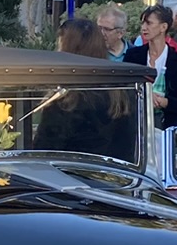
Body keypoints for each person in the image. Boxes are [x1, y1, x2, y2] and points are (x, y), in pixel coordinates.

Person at [33, 16, 138, 156]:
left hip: (69, 168)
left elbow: (44, 150)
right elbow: (129, 145)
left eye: (60, 47)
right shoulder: (122, 95)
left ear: (69, 52)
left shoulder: (65, 102)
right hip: (114, 168)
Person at [123, 4, 177, 129]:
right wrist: (145, 96)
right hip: (135, 125)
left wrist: (163, 102)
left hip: (166, 126)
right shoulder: (133, 55)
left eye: (149, 23)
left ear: (163, 27)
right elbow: (123, 90)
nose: (143, 28)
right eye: (142, 23)